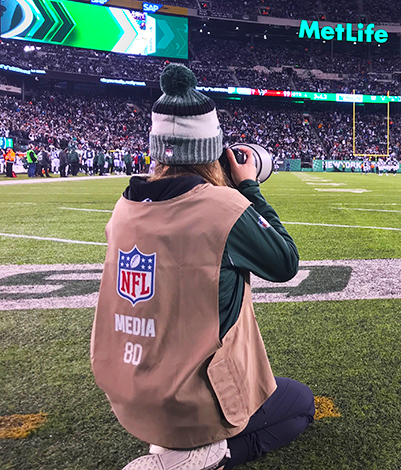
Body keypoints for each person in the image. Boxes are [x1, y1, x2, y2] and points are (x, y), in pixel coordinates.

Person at [90, 64, 314, 470]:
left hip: (130, 391)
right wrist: (248, 187)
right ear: (212, 150)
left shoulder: (124, 209)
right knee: (300, 404)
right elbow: (285, 262)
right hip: (193, 403)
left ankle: (176, 446)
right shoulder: (223, 207)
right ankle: (213, 456)